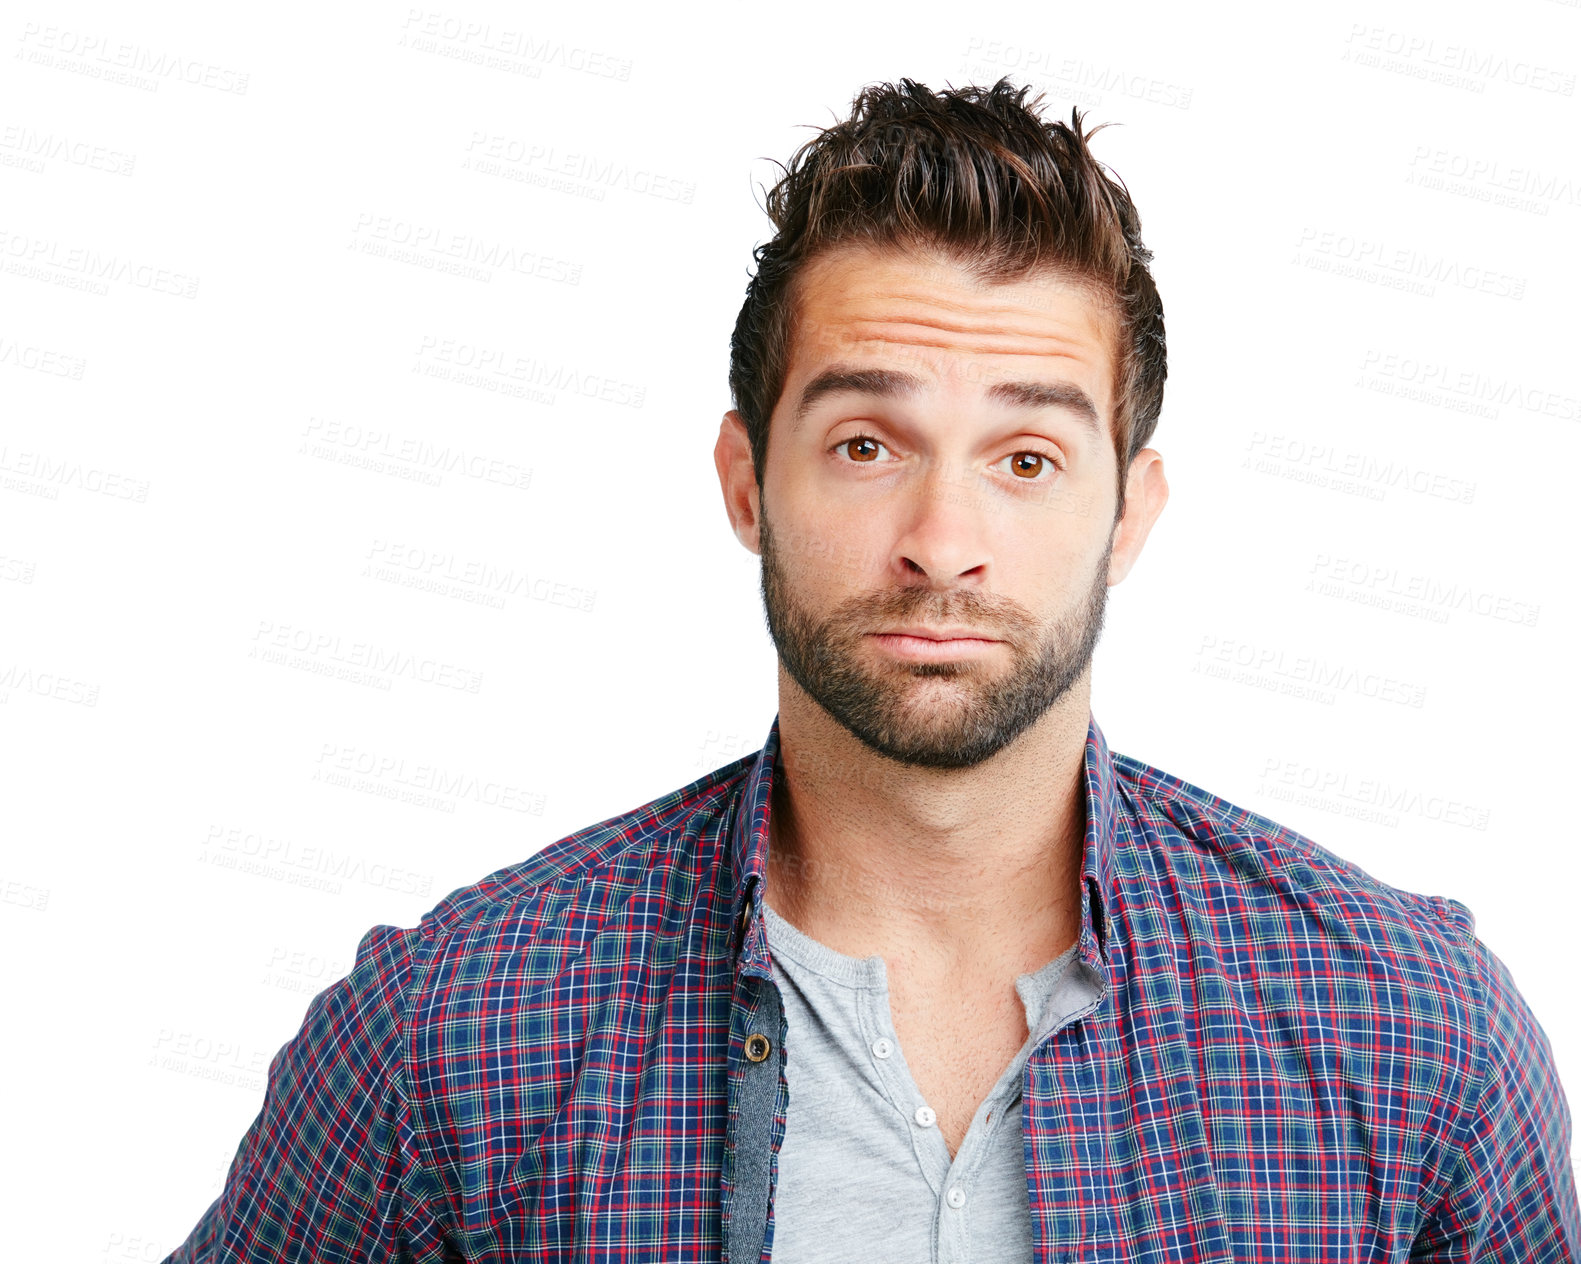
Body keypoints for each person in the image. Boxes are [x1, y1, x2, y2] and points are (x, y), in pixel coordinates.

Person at [163, 77, 1579, 1263]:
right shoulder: (451, 1042)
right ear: (745, 483)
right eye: (865, 444)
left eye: (1026, 461)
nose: (943, 542)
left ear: (1128, 515)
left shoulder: (1407, 1038)